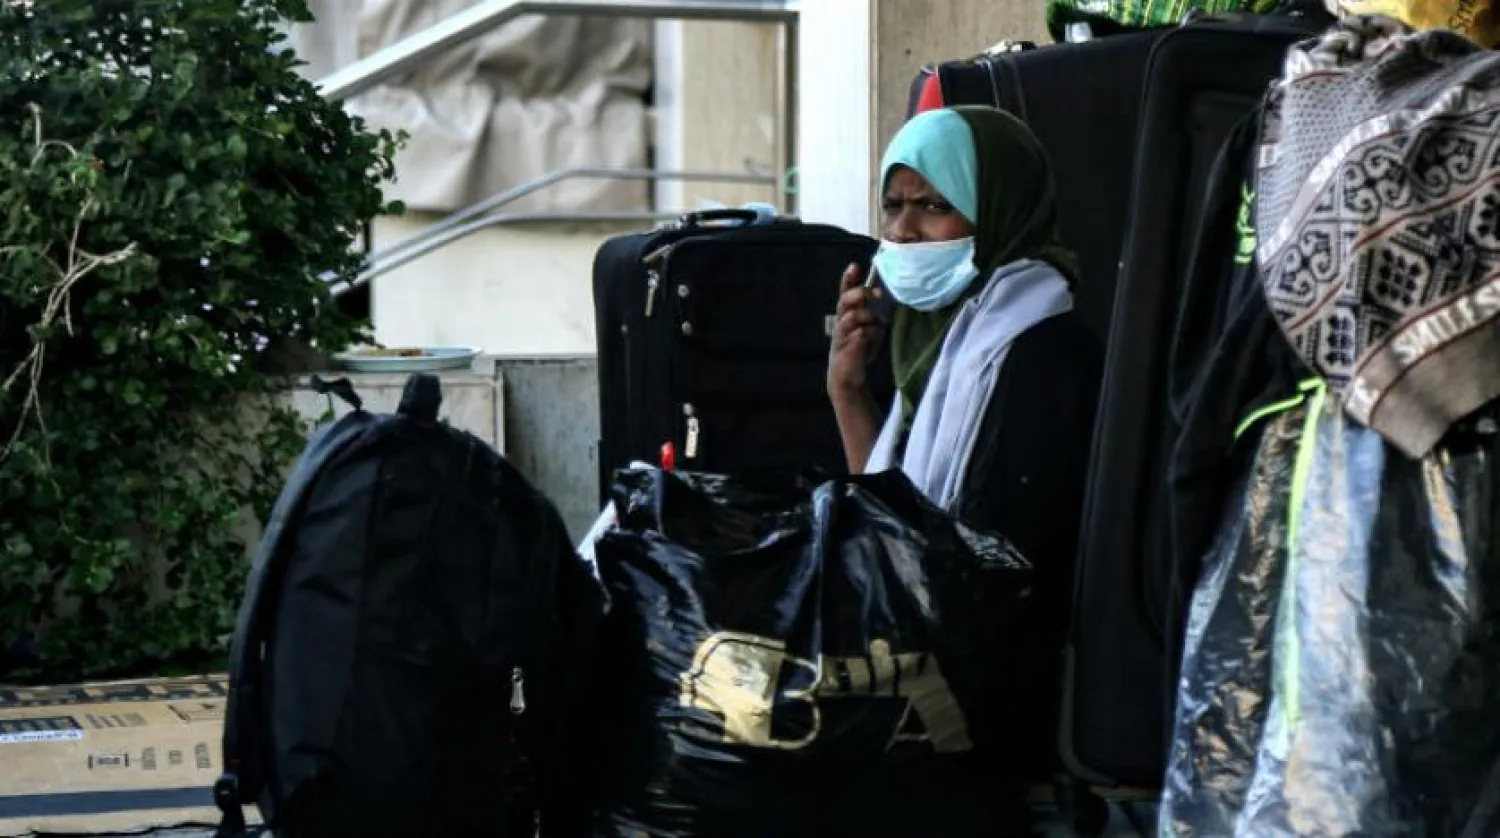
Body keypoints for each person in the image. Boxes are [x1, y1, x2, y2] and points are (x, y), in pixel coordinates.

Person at [826, 104, 1103, 804]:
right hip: (933, 677)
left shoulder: (1042, 350)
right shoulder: (928, 345)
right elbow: (888, 520)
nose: (902, 231)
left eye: (935, 206)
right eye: (893, 205)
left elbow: (995, 564)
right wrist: (848, 392)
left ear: (999, 211)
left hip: (1002, 710)